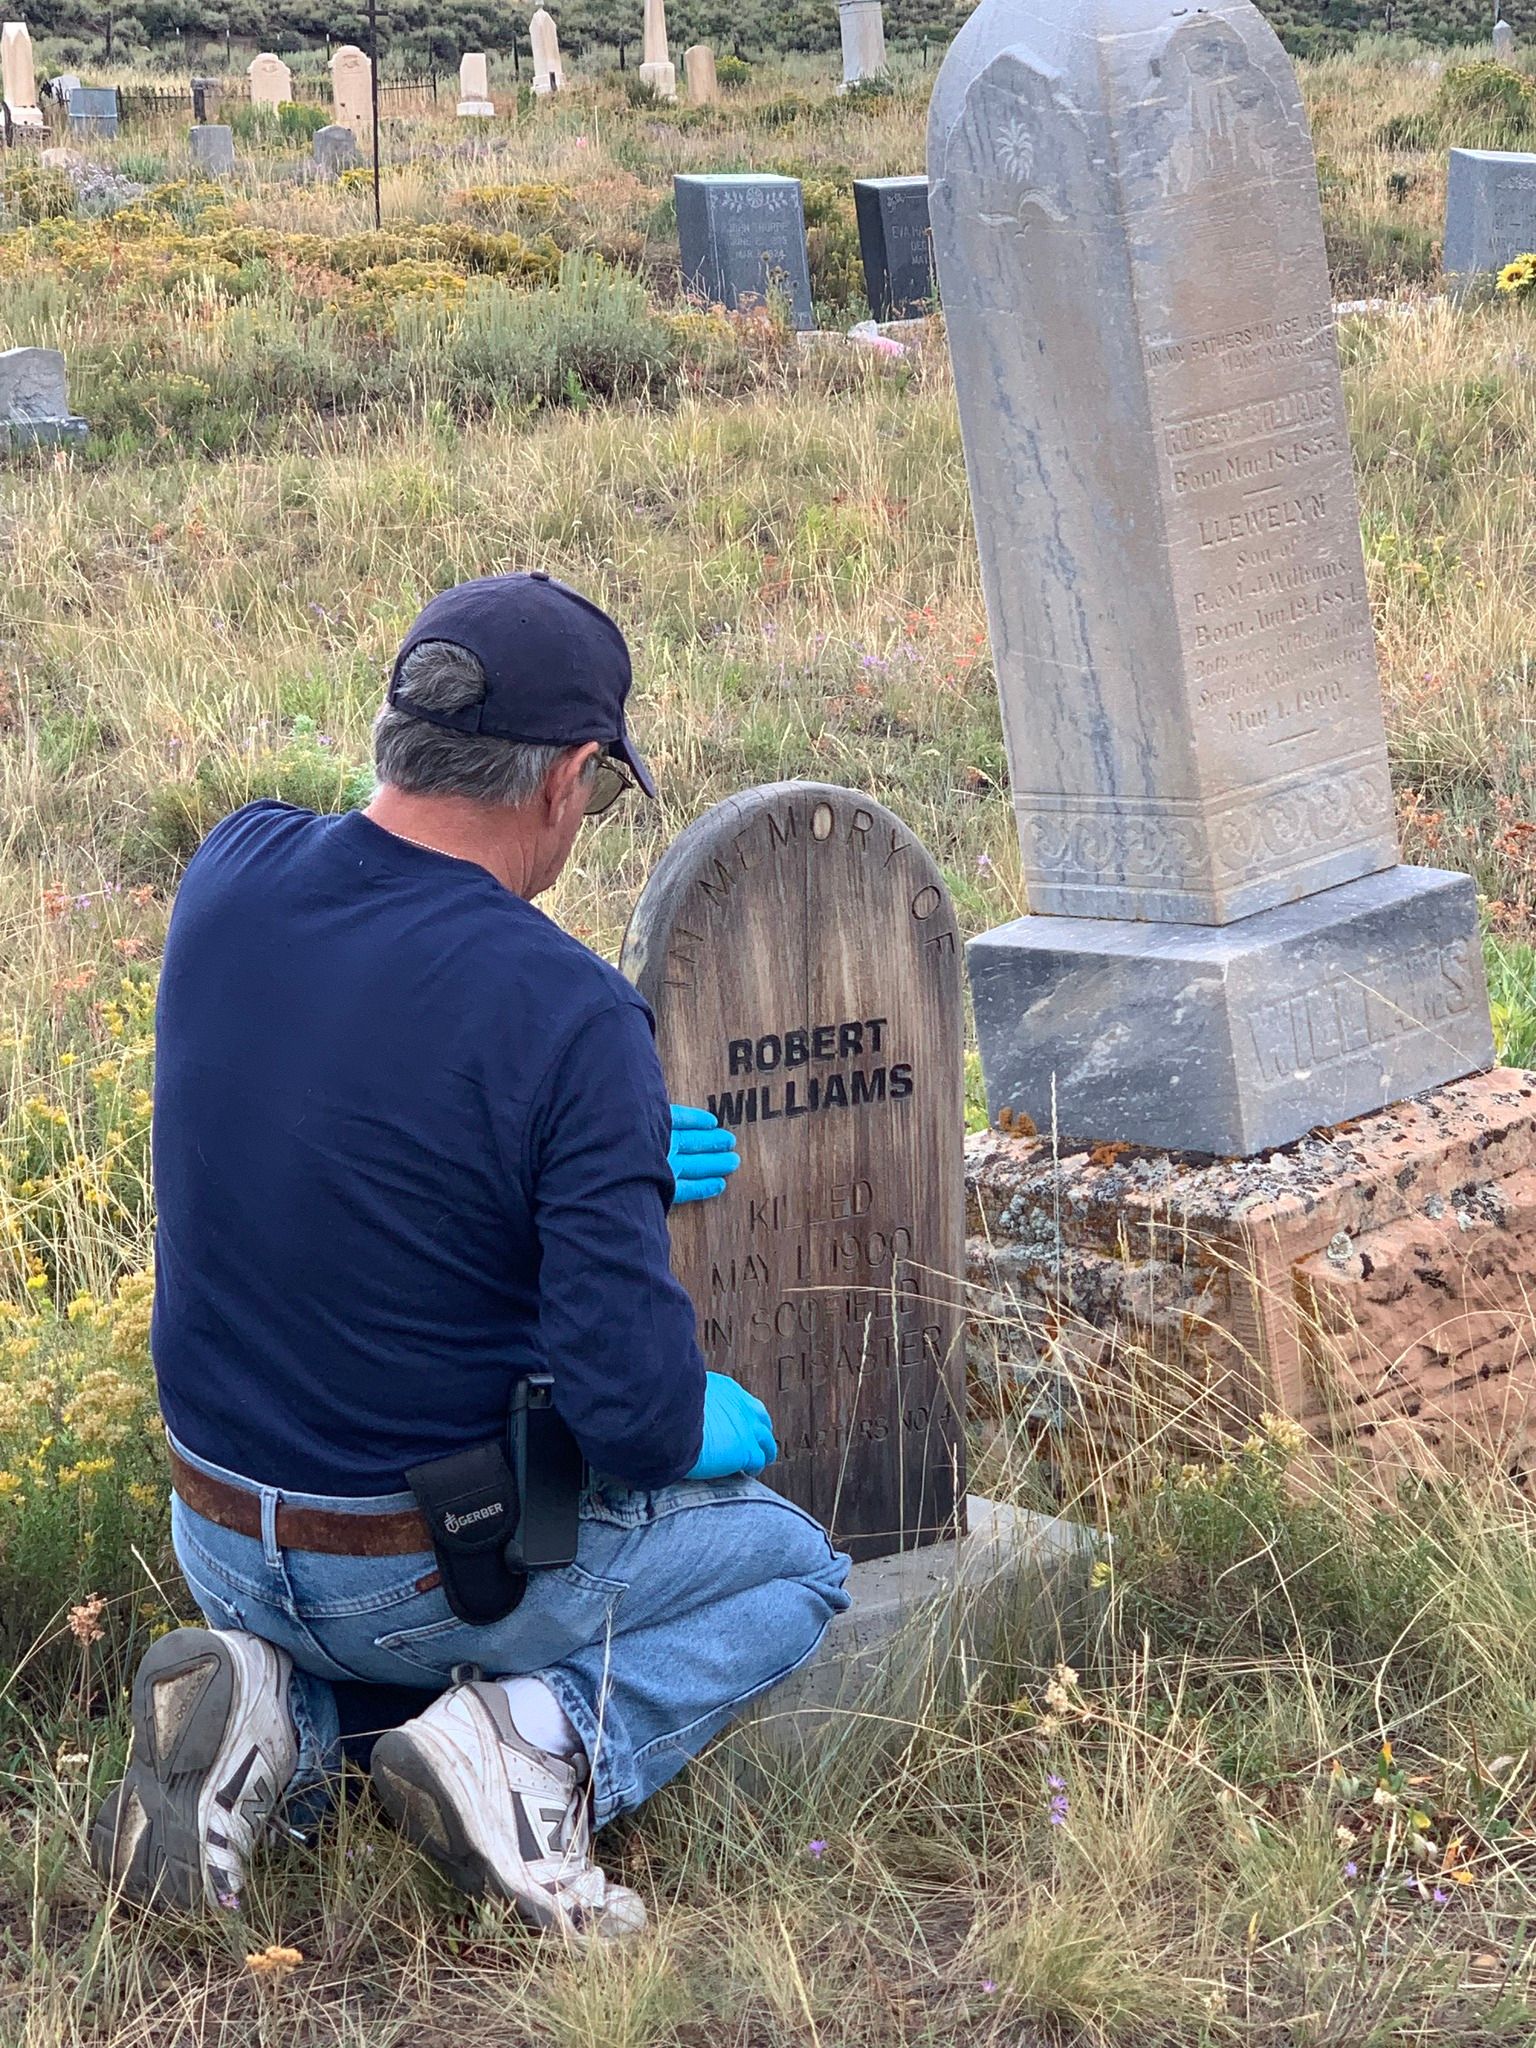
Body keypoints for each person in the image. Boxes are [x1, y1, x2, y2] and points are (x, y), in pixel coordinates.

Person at [91, 571, 852, 1940]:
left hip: (215, 1526)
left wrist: (588, 1151)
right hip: (427, 1559)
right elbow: (625, 1415)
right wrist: (693, 1423)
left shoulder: (232, 873)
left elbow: (345, 1101)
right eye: (604, 796)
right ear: (567, 782)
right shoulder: (569, 1012)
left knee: (359, 1634)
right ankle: (530, 1750)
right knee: (793, 1567)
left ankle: (276, 1718)